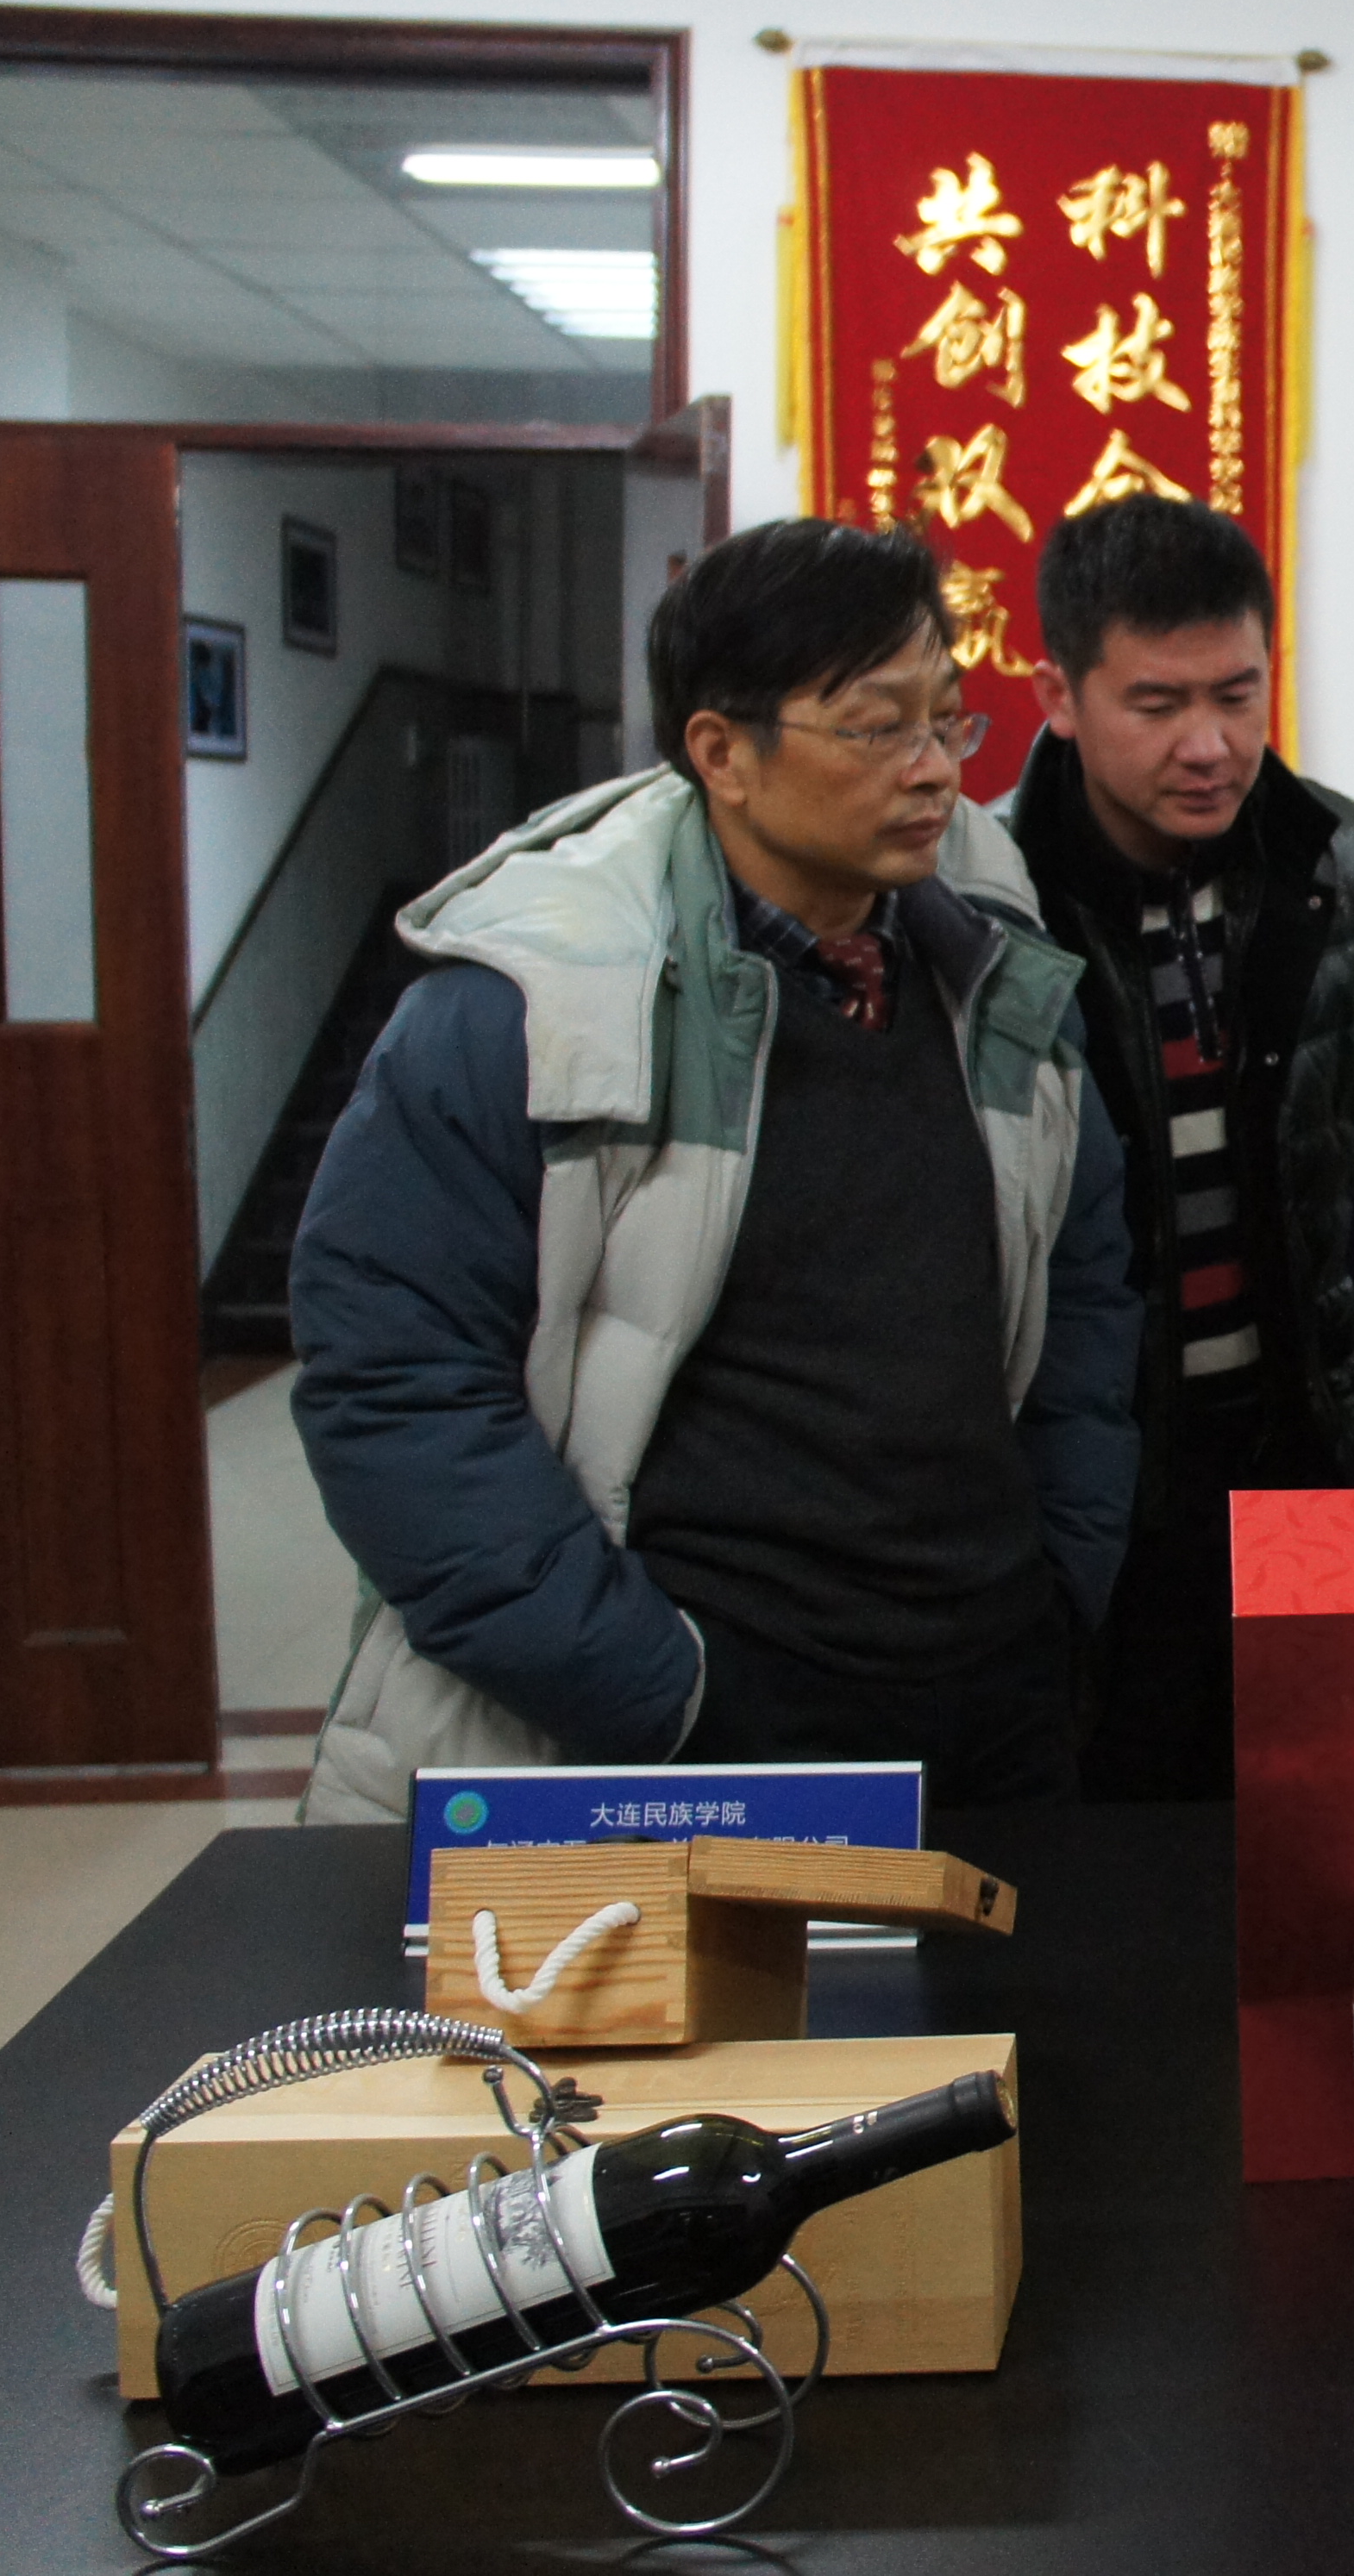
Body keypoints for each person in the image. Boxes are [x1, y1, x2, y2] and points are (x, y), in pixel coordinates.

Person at [289, 518, 1141, 1822]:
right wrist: (657, 1687)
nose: (933, 770)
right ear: (722, 752)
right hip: (694, 1725)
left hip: (993, 1696)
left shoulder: (997, 975)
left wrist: (1060, 1589)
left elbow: (1084, 1296)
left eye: (947, 721)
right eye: (876, 728)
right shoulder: (532, 1011)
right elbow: (395, 1386)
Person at [1006, 496, 1354, 1801]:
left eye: (1240, 695)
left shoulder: (1337, 858)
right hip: (1104, 1472)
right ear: (1059, 697)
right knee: (1120, 1829)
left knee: (1328, 1812)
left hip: (1313, 1452)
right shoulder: (992, 898)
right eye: (1157, 704)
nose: (1211, 744)